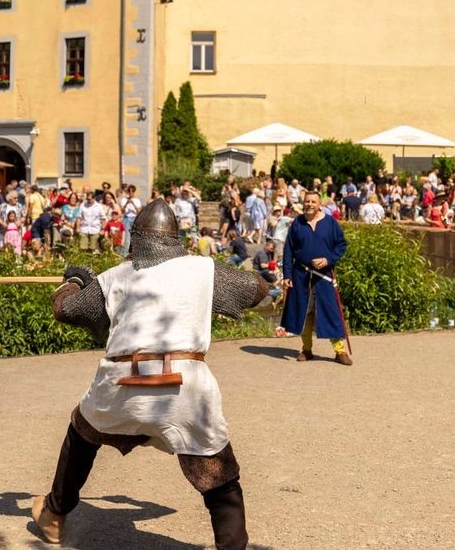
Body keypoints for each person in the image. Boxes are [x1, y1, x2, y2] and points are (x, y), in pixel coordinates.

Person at [33, 199, 268, 548]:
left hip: (119, 386)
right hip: (184, 390)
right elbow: (258, 289)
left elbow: (65, 308)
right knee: (220, 478)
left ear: (135, 239)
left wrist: (76, 281)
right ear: (176, 239)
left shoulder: (115, 277)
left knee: (82, 434)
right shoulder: (204, 270)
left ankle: (53, 515)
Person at [280, 191, 352, 365]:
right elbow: (288, 251)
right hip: (301, 274)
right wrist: (287, 275)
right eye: (307, 201)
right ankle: (306, 349)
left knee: (331, 311)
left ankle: (340, 351)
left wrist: (328, 259)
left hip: (324, 275)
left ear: (320, 205)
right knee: (305, 312)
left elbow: (341, 245)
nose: (310, 204)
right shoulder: (297, 224)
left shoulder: (330, 223)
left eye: (313, 201)